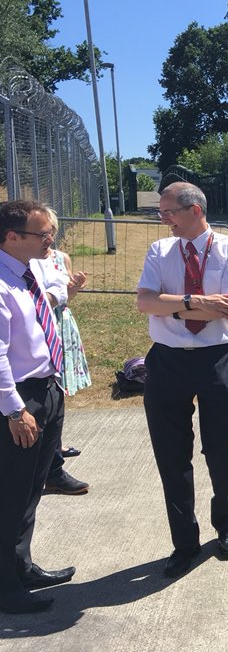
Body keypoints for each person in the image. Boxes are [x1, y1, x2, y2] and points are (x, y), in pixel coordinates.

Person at [136, 182, 228, 579]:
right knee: (171, 455)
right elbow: (145, 302)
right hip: (167, 361)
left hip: (216, 359)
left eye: (168, 212)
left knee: (222, 447)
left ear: (195, 210)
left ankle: (225, 522)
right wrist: (195, 302)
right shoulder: (160, 251)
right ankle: (184, 541)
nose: (163, 219)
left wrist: (168, 306)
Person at [0, 200, 76, 614]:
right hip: (19, 401)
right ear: (12, 237)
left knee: (31, 489)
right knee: (10, 495)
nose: (51, 239)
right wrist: (15, 411)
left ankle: (21, 566)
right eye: (43, 233)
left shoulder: (28, 274)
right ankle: (6, 587)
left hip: (46, 390)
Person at [36, 208, 90, 496]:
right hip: (36, 330)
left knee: (56, 392)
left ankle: (53, 456)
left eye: (51, 232)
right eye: (42, 233)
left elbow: (64, 298)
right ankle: (50, 462)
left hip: (59, 325)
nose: (49, 239)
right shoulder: (21, 261)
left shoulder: (60, 259)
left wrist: (74, 288)